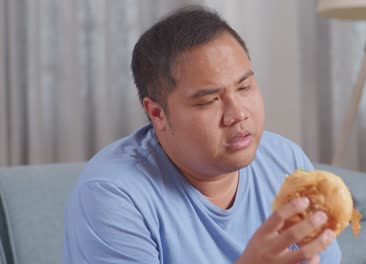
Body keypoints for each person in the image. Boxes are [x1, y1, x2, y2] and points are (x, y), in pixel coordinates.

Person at [63, 5, 341, 264]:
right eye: (209, 101)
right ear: (157, 113)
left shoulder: (286, 161)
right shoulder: (113, 195)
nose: (237, 114)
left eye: (244, 88)